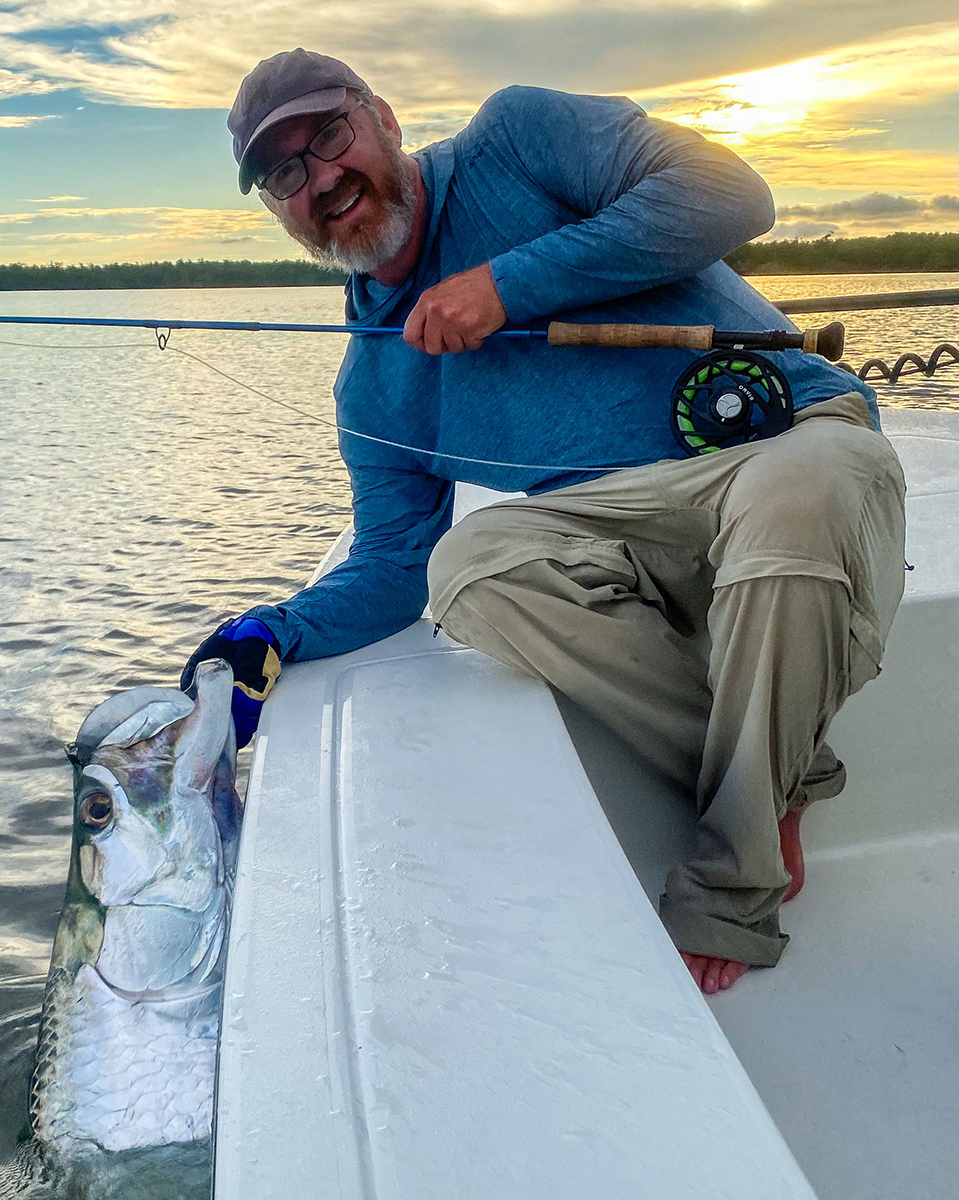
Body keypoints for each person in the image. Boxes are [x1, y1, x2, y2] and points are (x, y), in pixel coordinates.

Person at [183, 48, 906, 995]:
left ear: (384, 118)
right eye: (285, 171)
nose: (323, 177)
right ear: (277, 210)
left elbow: (734, 194)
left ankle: (737, 871)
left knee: (793, 498)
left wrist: (507, 286)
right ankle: (782, 763)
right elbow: (394, 563)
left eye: (329, 136)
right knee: (469, 567)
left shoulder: (516, 140)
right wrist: (273, 631)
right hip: (624, 530)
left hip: (786, 439)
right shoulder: (371, 384)